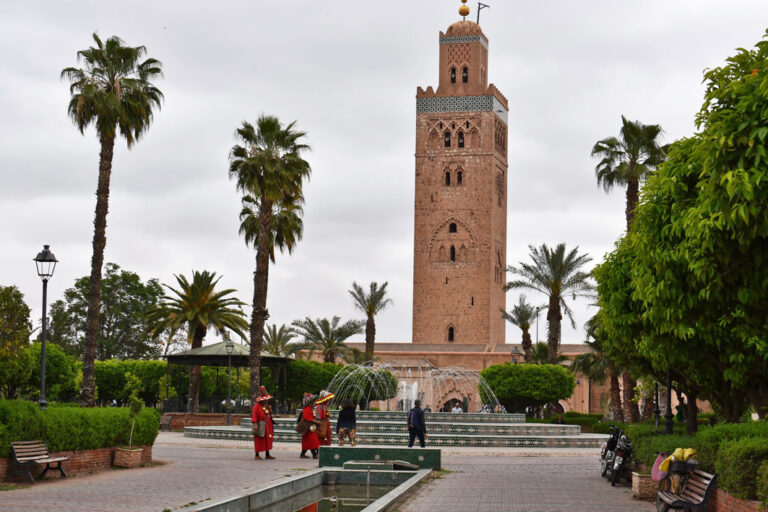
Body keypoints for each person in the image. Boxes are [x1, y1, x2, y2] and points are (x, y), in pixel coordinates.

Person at [252, 386, 275, 460]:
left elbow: (269, 415)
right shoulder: (257, 406)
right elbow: (254, 415)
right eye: (265, 400)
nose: (266, 401)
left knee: (267, 439)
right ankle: (257, 454)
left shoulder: (267, 406)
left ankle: (267, 454)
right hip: (260, 425)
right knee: (259, 439)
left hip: (268, 425)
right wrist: (255, 424)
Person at [300, 392, 320, 459]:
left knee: (308, 441)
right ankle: (314, 454)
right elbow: (308, 418)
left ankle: (303, 454)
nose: (315, 402)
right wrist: (316, 421)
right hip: (308, 427)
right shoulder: (307, 409)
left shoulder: (309, 408)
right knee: (313, 441)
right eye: (314, 401)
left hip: (309, 427)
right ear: (310, 402)